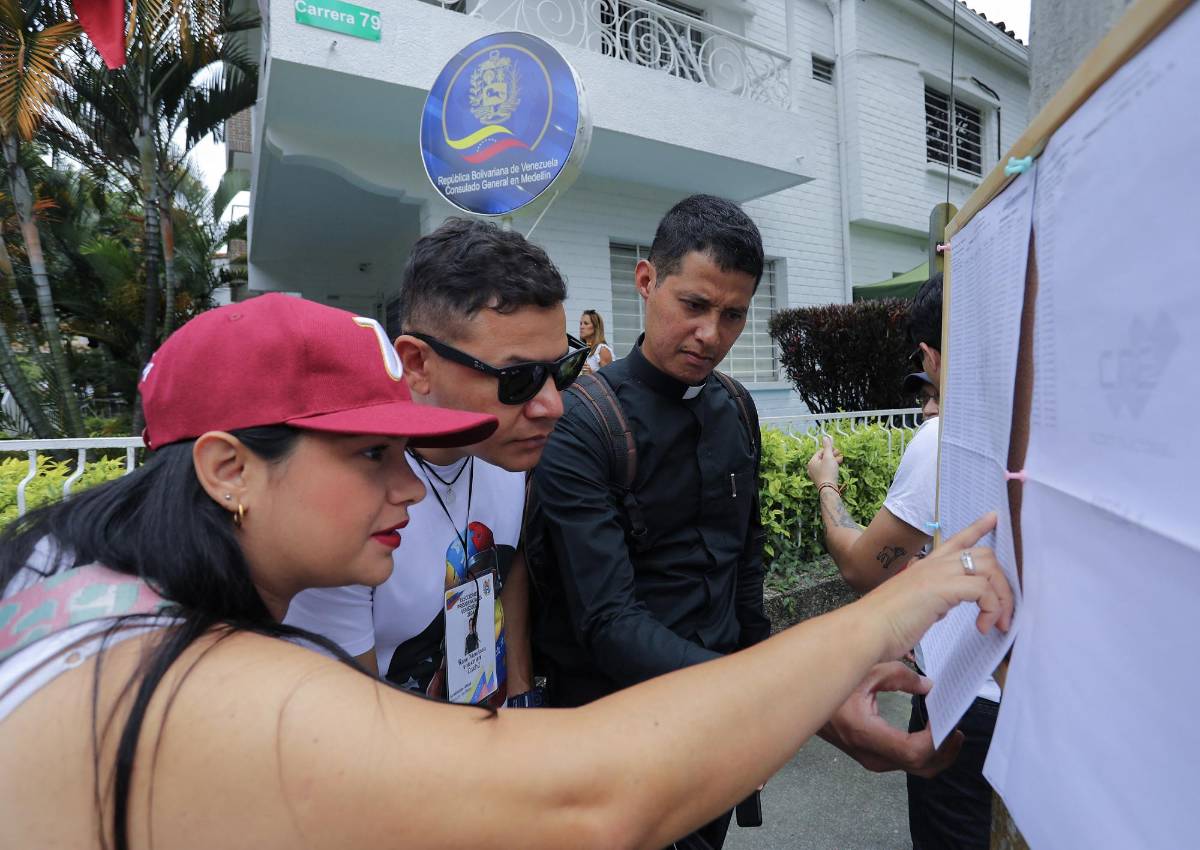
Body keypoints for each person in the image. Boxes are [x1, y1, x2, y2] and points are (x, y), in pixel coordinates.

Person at [0, 292, 1013, 850]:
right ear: (228, 467)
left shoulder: (71, 570)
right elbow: (599, 797)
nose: (407, 489)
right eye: (369, 456)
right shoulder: (193, 690)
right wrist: (890, 612)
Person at [530, 196, 965, 850]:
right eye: (694, 306)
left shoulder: (734, 407)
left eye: (734, 314)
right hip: (615, 745)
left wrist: (755, 716)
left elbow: (743, 572)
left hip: (721, 744)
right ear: (646, 280)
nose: (712, 333)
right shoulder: (581, 424)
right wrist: (788, 699)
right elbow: (608, 623)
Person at [285, 218, 587, 708]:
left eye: (563, 368)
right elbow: (357, 719)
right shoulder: (347, 507)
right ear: (419, 365)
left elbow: (505, 568)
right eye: (519, 378)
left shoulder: (508, 454)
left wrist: (520, 694)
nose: (552, 404)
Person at [807, 273, 999, 850]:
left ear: (930, 353)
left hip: (968, 697)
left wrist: (827, 486)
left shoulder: (946, 439)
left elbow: (865, 568)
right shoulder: (1050, 425)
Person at [579, 309, 614, 374]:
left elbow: (609, 379)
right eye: (581, 323)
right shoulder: (583, 350)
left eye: (586, 323)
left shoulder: (602, 350)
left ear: (595, 327)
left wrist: (591, 374)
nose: (581, 327)